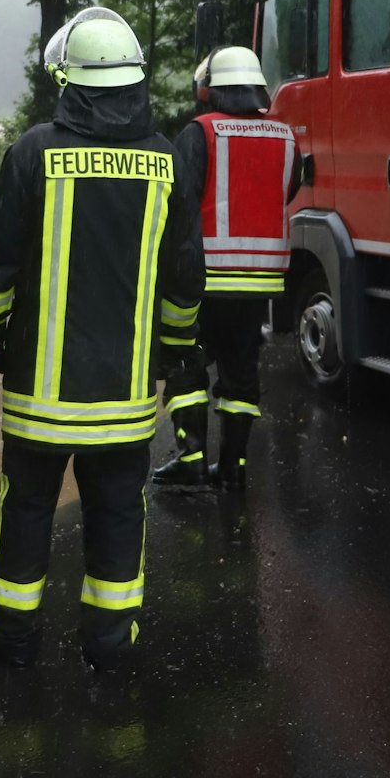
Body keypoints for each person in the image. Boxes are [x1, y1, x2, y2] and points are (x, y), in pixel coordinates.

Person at [0, 6, 204, 673]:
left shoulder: (35, 151)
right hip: (125, 399)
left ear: (72, 81)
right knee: (120, 515)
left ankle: (11, 642)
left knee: (28, 512)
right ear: (133, 82)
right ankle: (109, 645)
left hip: (40, 396)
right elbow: (186, 281)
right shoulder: (165, 162)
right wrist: (171, 355)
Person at [150, 46, 298, 491]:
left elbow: (178, 205)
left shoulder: (200, 133)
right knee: (241, 371)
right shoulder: (286, 137)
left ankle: (191, 458)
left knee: (186, 364)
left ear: (213, 88)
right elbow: (285, 192)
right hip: (259, 282)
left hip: (204, 276)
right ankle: (233, 467)